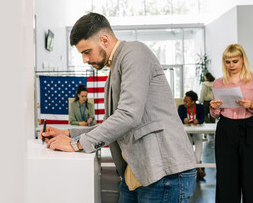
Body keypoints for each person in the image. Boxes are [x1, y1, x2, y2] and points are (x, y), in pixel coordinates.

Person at [40, 12, 196, 203]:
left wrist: (76, 144)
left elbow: (129, 115)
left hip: (163, 173)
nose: (85, 60)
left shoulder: (134, 52)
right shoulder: (114, 71)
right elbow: (114, 124)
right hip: (136, 174)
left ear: (104, 40)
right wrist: (68, 133)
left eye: (86, 51)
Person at [210, 44, 253, 203]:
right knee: (226, 176)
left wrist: (252, 106)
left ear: (242, 60)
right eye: (227, 62)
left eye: (234, 61)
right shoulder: (218, 83)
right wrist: (214, 108)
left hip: (249, 128)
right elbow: (215, 115)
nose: (231, 65)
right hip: (226, 129)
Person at [178, 90, 206, 180]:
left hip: (196, 129)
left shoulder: (200, 107)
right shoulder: (181, 108)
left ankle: (195, 166)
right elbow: (179, 120)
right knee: (188, 144)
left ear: (193, 102)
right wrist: (183, 121)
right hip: (186, 130)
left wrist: (198, 121)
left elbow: (202, 119)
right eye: (184, 101)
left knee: (199, 141)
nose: (184, 103)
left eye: (187, 101)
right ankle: (198, 167)